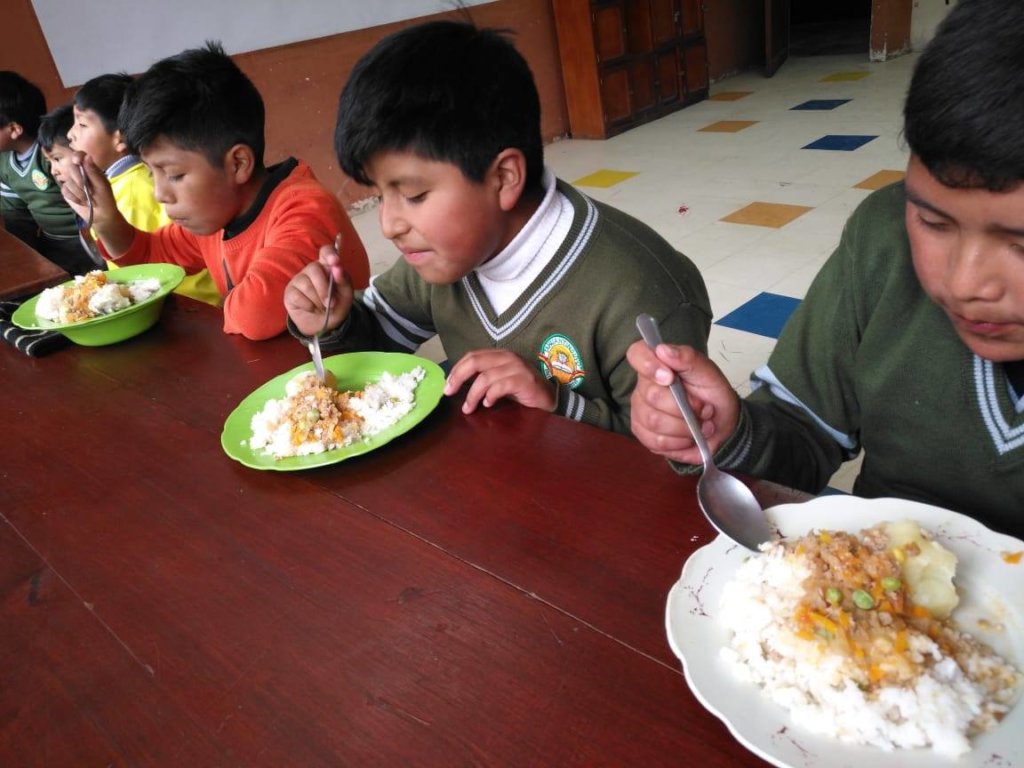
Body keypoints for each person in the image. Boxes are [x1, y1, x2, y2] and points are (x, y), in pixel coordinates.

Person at [627, 0, 1024, 538]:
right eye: (933, 221)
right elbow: (803, 429)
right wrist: (729, 434)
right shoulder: (883, 242)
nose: (963, 283)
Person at [284, 21, 711, 435]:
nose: (389, 224)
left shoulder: (635, 295)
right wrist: (333, 320)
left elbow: (678, 458)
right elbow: (380, 343)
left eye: (413, 195)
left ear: (504, 178)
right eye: (380, 195)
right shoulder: (443, 253)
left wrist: (556, 403)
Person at [61, 43, 369, 340]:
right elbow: (152, 255)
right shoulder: (218, 216)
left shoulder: (304, 211)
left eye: (174, 174)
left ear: (237, 163)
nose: (159, 193)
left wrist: (222, 305)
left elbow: (255, 316)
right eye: (152, 173)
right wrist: (106, 221)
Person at [0, 71, 95, 275]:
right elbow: (16, 217)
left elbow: (86, 200)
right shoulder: (4, 164)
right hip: (51, 245)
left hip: (84, 241)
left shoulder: (54, 156)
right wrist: (27, 258)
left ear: (14, 129)